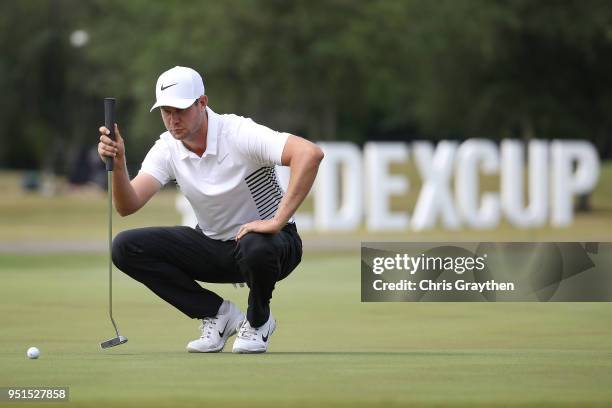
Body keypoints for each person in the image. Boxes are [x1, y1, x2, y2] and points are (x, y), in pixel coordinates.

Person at [97, 66, 323, 353]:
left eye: (180, 110)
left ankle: (257, 322)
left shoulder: (238, 132)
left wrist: (277, 221)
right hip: (215, 247)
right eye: (166, 111)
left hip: (274, 246)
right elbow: (128, 205)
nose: (172, 119)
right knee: (126, 247)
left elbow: (309, 153)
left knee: (256, 244)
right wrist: (119, 166)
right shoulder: (167, 148)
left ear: (202, 103)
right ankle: (218, 314)